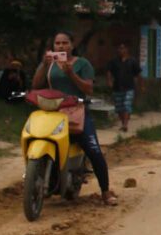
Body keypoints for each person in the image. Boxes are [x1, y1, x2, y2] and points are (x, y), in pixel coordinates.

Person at [32, 31, 118, 206]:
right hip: (54, 113)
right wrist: (43, 65)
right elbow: (36, 85)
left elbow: (89, 89)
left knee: (93, 150)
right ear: (53, 47)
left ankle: (106, 191)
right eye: (58, 43)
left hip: (77, 112)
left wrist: (71, 74)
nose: (61, 46)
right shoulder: (49, 64)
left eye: (65, 43)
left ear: (72, 45)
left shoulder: (82, 64)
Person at [107, 43, 141, 133]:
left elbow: (137, 74)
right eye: (119, 48)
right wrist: (109, 81)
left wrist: (138, 85)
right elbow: (109, 72)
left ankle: (125, 125)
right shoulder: (113, 61)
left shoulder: (132, 61)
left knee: (126, 105)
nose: (121, 50)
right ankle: (123, 124)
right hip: (117, 87)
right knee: (119, 108)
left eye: (123, 48)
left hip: (129, 87)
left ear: (126, 50)